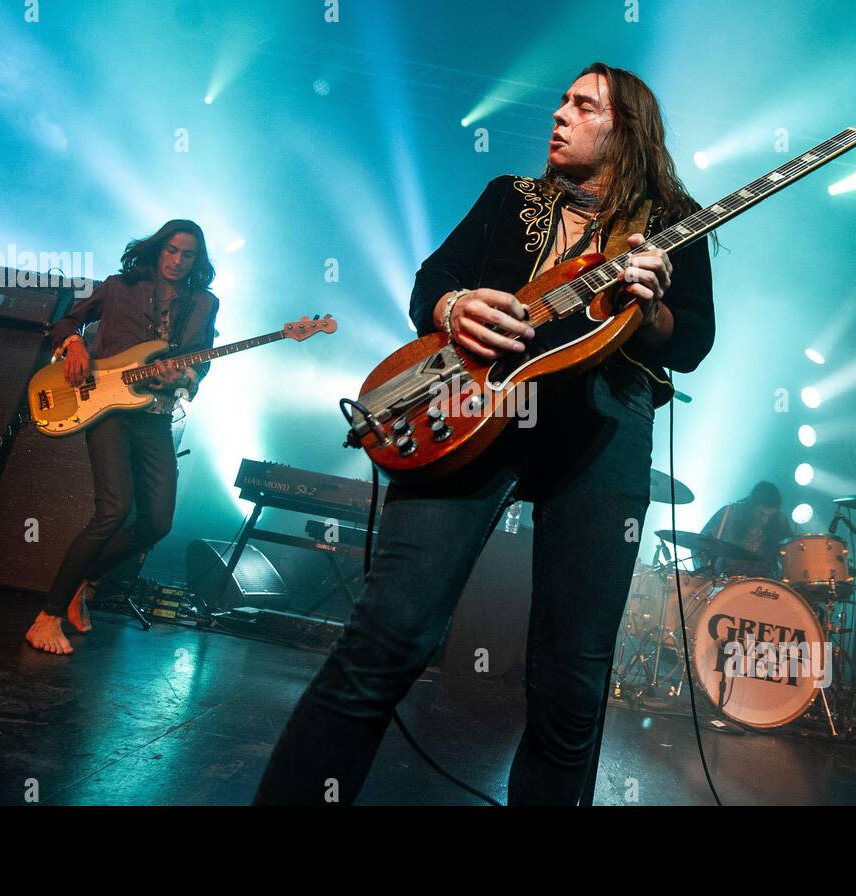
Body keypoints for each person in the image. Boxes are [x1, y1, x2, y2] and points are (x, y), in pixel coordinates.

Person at [255, 63, 715, 804]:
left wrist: (654, 306)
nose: (560, 114)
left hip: (608, 418)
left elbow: (691, 340)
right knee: (388, 637)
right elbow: (429, 284)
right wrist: (455, 306)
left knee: (572, 678)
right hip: (471, 411)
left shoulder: (676, 221)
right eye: (562, 100)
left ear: (625, 127)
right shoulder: (511, 197)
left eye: (583, 104)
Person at [24, 220, 219, 655]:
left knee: (157, 522)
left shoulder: (204, 303)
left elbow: (200, 364)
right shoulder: (118, 287)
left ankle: (83, 584)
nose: (177, 261)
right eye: (171, 250)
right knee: (113, 510)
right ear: (157, 250)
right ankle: (47, 617)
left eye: (187, 255)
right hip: (106, 407)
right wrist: (74, 343)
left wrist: (183, 375)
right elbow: (67, 321)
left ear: (197, 260)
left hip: (154, 414)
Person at [700, 481, 795, 578]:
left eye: (770, 516)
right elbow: (701, 544)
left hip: (766, 583)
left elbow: (792, 552)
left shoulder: (780, 522)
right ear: (751, 505)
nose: (765, 519)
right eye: (761, 513)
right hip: (728, 579)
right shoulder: (730, 514)